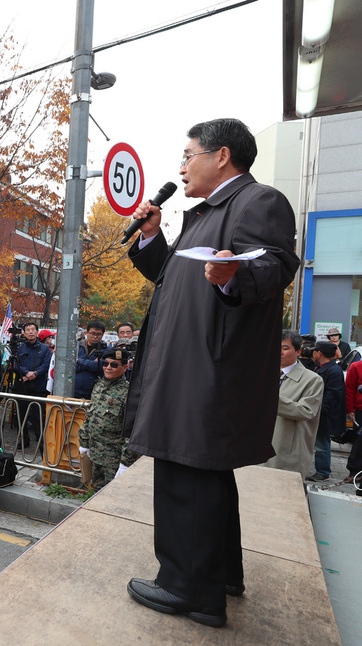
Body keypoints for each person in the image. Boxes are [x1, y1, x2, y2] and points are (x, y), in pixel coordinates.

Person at [124, 118, 300, 628]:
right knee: (205, 474)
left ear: (221, 156)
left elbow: (274, 264)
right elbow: (172, 277)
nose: (182, 166)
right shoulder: (205, 215)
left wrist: (236, 272)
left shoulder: (258, 201)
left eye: (188, 154)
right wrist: (153, 238)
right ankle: (220, 574)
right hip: (193, 364)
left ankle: (189, 589)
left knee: (187, 471)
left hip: (209, 370)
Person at [264, 331, 323, 478]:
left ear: (298, 351)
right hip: (257, 448)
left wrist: (268, 398)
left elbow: (306, 411)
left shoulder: (312, 380)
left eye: (285, 348)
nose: (279, 352)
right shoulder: (262, 374)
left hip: (286, 451)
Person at [79, 347, 133, 489]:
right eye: (105, 363)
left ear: (125, 367)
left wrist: (125, 463)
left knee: (113, 498)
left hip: (114, 460)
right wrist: (83, 443)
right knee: (96, 493)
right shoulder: (99, 386)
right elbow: (90, 416)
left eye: (114, 365)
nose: (108, 368)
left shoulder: (129, 393)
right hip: (95, 455)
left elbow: (131, 431)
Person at [307, 340, 345, 482]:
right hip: (320, 412)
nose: (313, 353)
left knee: (322, 444)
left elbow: (333, 395)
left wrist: (319, 411)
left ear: (320, 353)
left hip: (324, 415)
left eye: (315, 351)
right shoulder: (321, 367)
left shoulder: (333, 371)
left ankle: (323, 471)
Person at [15, 322, 52, 449]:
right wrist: (26, 373)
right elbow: (15, 364)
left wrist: (34, 374)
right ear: (24, 333)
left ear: (37, 332)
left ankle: (40, 440)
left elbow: (47, 364)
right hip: (23, 385)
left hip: (38, 386)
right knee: (21, 414)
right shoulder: (20, 348)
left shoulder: (44, 348)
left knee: (38, 415)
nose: (30, 332)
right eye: (27, 330)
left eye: (33, 329)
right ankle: (24, 439)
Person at [74, 321, 105, 400]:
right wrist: (89, 365)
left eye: (98, 334)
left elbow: (99, 367)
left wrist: (78, 361)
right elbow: (71, 366)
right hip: (73, 390)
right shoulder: (76, 347)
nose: (95, 337)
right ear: (87, 333)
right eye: (92, 333)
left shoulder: (105, 350)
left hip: (94, 393)